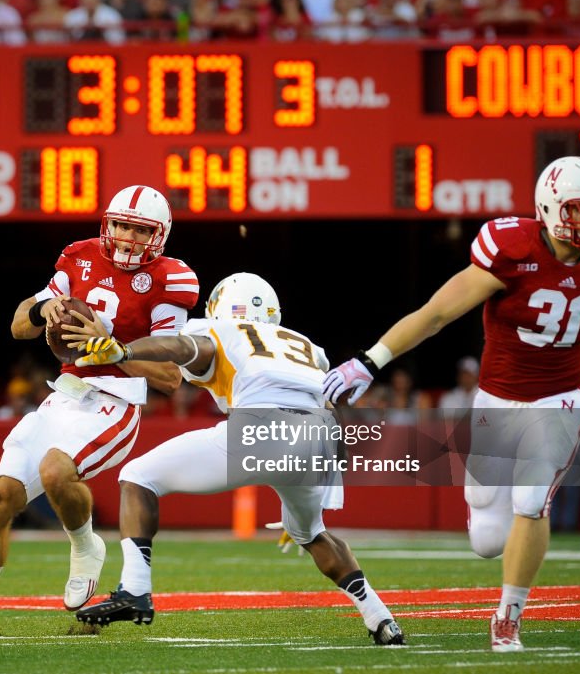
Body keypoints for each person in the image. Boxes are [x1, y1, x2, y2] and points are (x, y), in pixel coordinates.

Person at [322, 156, 580, 652]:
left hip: (560, 400)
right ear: (551, 209)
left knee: (533, 503)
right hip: (497, 400)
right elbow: (436, 313)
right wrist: (369, 361)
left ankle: (508, 617)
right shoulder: (509, 249)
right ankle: (494, 524)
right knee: (487, 538)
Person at [72, 273, 405, 646]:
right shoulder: (309, 347)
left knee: (138, 476)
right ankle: (381, 619)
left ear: (223, 307)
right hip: (318, 438)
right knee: (311, 533)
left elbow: (187, 349)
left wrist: (125, 351)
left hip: (261, 427)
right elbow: (328, 410)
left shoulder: (223, 330)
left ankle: (134, 589)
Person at [0, 185, 199, 638]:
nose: (128, 237)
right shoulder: (79, 258)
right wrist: (44, 307)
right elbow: (19, 326)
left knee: (56, 471)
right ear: (107, 223)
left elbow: (170, 377)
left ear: (159, 235)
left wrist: (111, 348)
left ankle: (85, 544)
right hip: (63, 394)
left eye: (139, 229)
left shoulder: (171, 279)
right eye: (121, 225)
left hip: (114, 400)